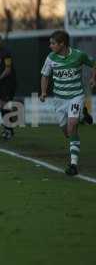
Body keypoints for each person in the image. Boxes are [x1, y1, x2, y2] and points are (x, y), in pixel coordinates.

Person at [40, 30, 96, 176]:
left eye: (53, 43)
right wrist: (44, 92)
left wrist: (93, 79)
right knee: (67, 132)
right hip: (59, 99)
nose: (50, 46)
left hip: (75, 96)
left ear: (62, 44)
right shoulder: (51, 58)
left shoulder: (79, 55)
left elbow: (94, 63)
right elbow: (45, 76)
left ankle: (73, 165)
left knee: (72, 126)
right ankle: (83, 116)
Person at [0, 34, 17, 140]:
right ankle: (8, 129)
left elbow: (8, 70)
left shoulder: (6, 53)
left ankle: (8, 130)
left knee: (4, 105)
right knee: (1, 105)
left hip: (9, 83)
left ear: (1, 42)